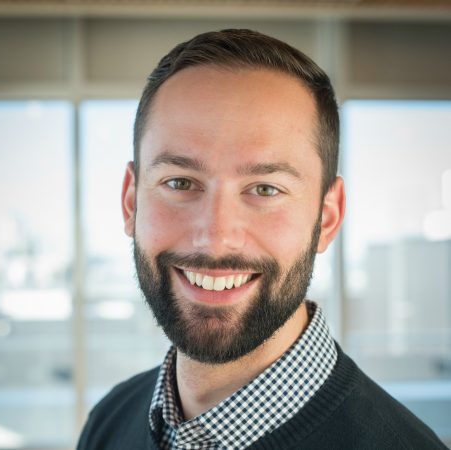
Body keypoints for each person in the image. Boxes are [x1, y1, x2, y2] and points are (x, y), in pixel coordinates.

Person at [77, 29, 448, 450]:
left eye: (265, 189)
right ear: (131, 202)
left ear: (327, 218)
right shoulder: (109, 421)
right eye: (180, 182)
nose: (216, 237)